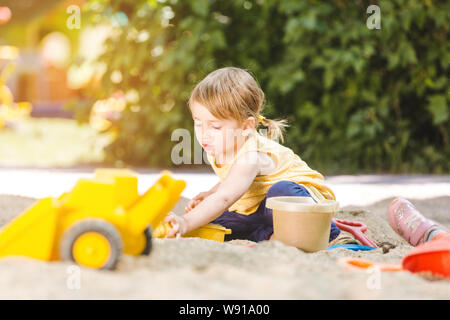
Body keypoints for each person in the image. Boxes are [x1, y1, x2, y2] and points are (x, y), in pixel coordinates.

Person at [165, 67, 340, 242]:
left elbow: (225, 197)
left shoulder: (251, 156)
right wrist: (211, 193)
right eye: (198, 123)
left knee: (280, 191)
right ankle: (272, 235)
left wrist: (186, 222)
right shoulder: (217, 145)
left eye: (215, 126)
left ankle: (324, 231)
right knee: (217, 222)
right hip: (261, 207)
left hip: (304, 202)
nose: (203, 134)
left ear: (245, 127)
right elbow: (231, 180)